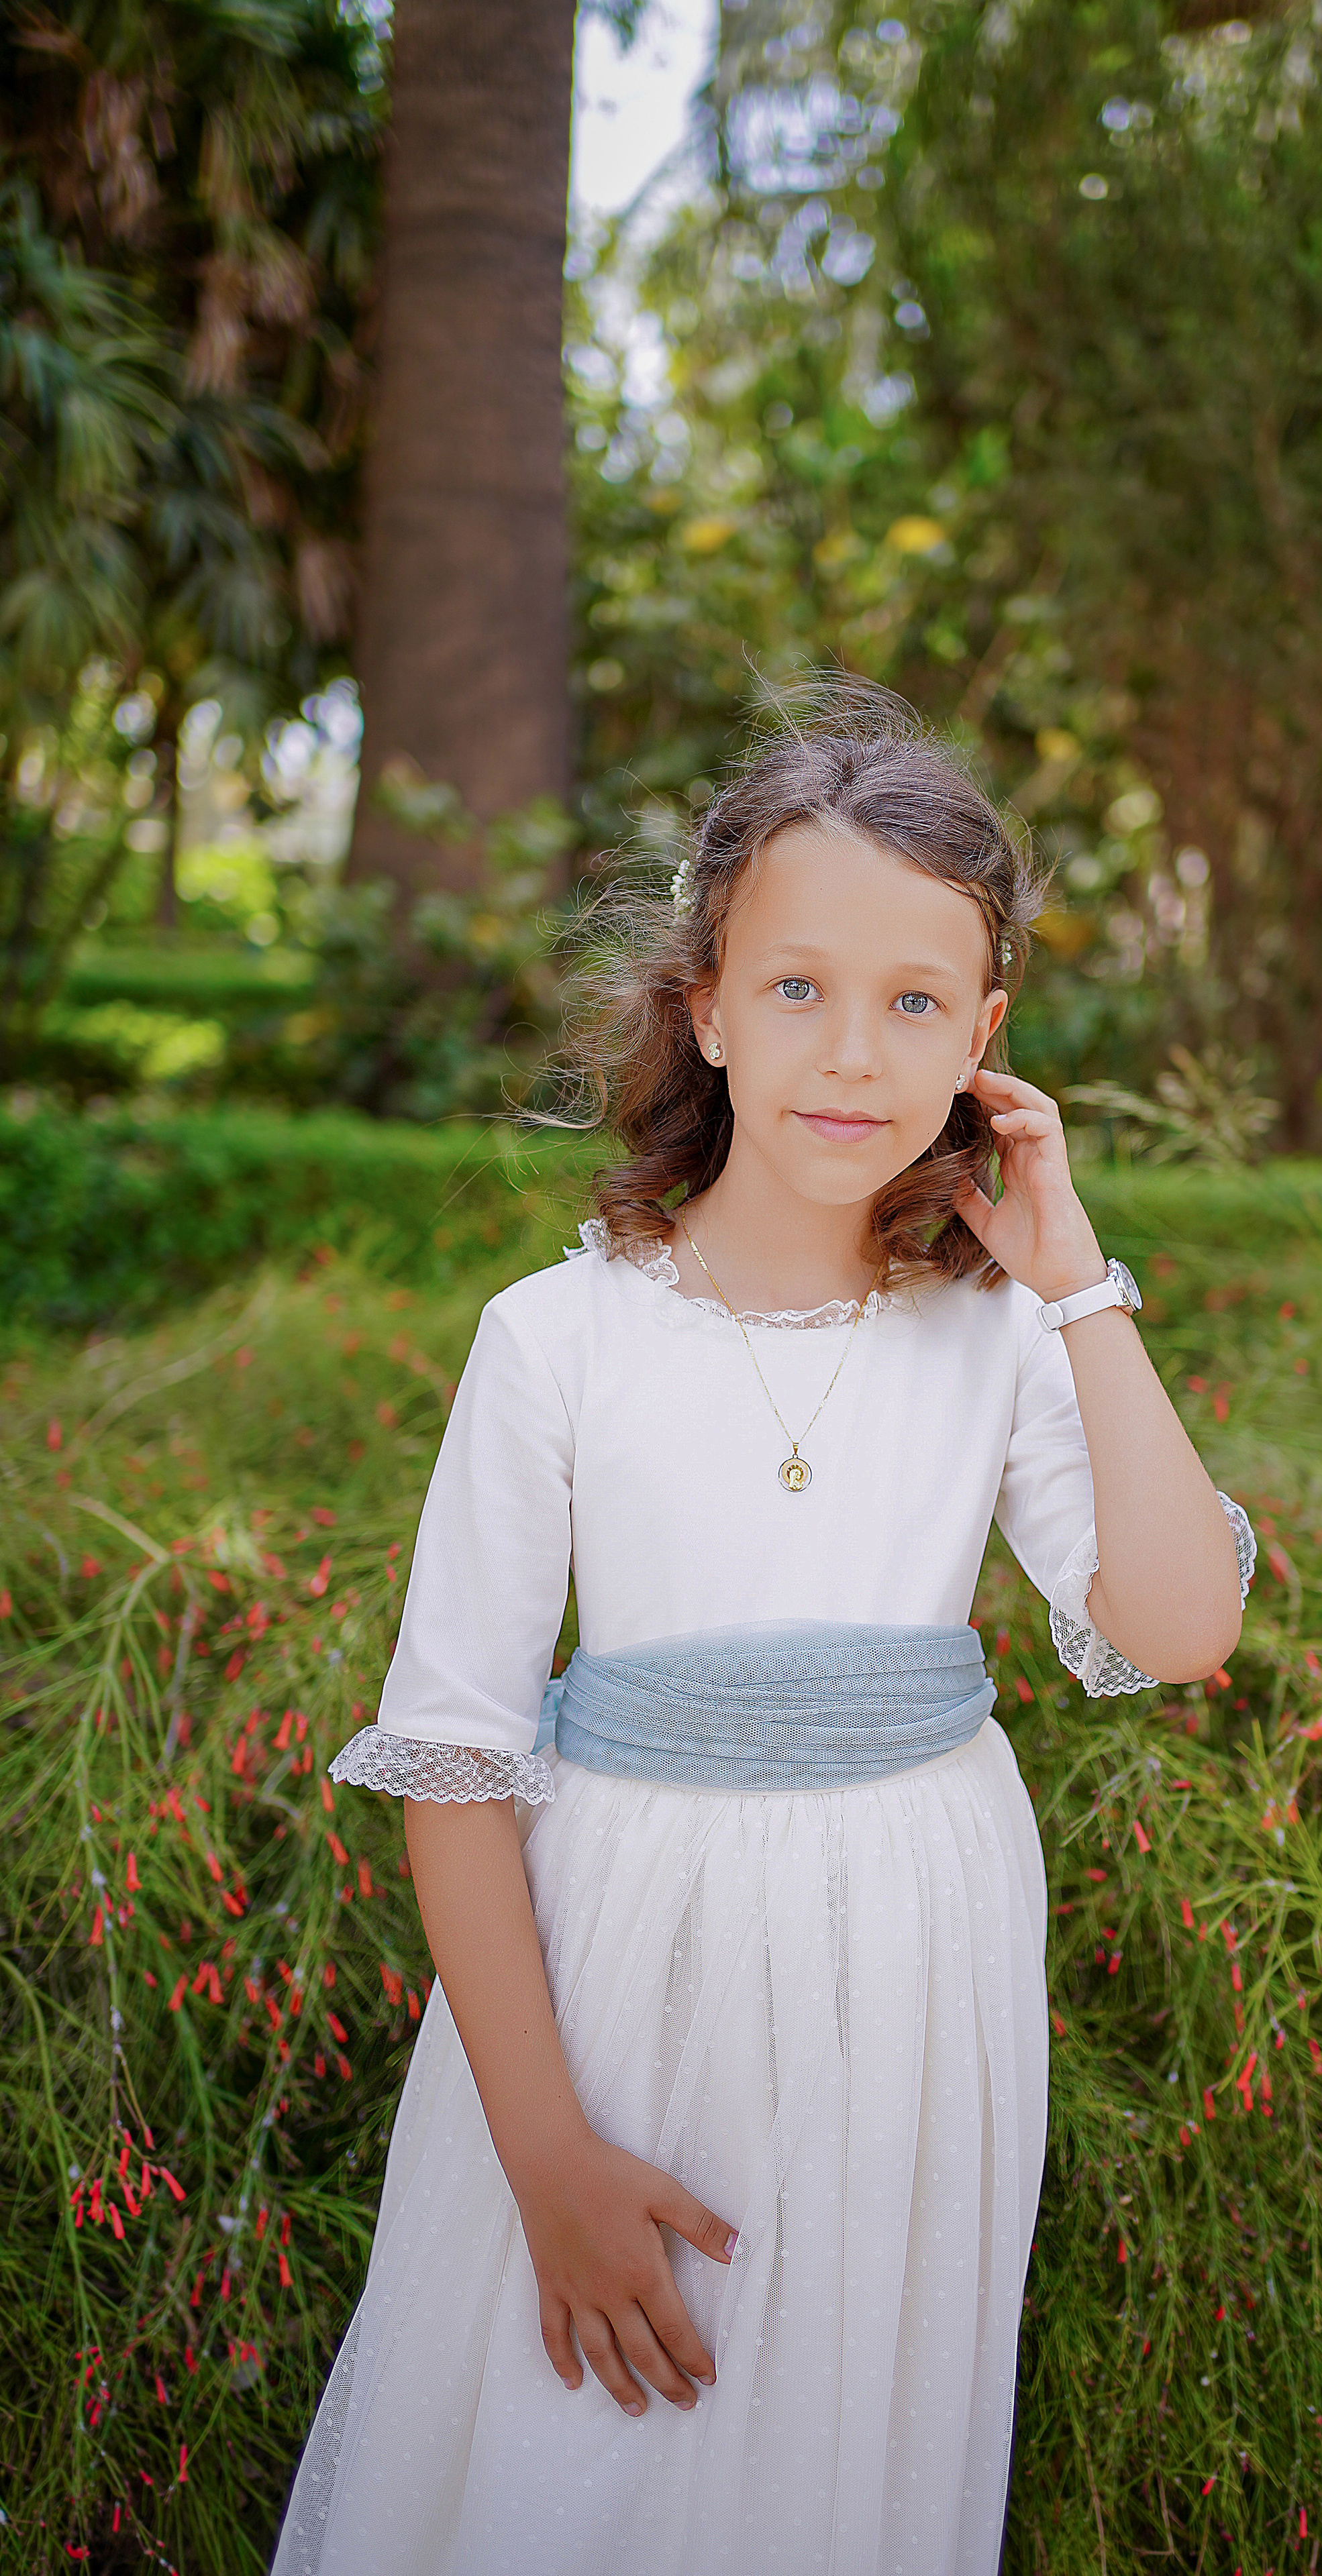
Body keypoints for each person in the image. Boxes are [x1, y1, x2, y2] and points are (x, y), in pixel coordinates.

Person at [271, 686, 1255, 2576]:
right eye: (797, 988)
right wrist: (546, 2157)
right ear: (707, 1005)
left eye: (914, 1004)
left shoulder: (1000, 1337)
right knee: (576, 2462)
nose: (850, 1050)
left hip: (920, 1972)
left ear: (982, 1043)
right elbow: (457, 1763)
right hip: (616, 1981)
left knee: (831, 2465)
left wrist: (1076, 1284)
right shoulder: (552, 1341)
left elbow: (1182, 1624)